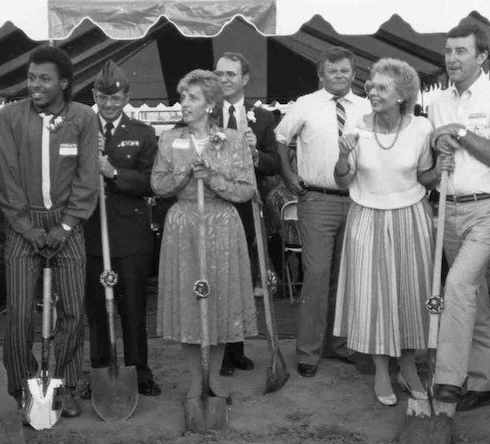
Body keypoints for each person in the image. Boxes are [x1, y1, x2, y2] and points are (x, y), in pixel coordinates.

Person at [0, 46, 99, 418]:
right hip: (24, 225)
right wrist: (27, 228)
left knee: (72, 310)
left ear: (64, 83)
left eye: (44, 78)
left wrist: (67, 225)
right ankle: (25, 386)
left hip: (68, 224)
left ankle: (64, 385)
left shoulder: (83, 117)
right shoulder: (9, 117)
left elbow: (87, 177)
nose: (35, 84)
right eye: (31, 77)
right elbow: (5, 178)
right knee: (19, 313)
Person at [333, 59, 447, 405]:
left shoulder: (421, 128)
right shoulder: (356, 127)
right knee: (374, 296)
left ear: (403, 95)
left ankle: (409, 367)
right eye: (370, 86)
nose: (372, 92)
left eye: (382, 87)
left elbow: (423, 178)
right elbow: (343, 178)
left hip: (411, 217)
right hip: (366, 217)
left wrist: (440, 169)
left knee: (410, 294)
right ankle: (382, 372)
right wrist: (342, 156)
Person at [427, 22, 490, 414]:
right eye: (448, 51)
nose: (452, 58)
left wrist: (461, 132)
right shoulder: (437, 103)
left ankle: (448, 379)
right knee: (474, 297)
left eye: (461, 51)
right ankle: (488, 384)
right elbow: (437, 154)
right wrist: (439, 141)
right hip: (449, 206)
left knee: (458, 285)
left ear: (482, 56)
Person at [152, 69, 257, 398]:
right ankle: (195, 381)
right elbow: (157, 185)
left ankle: (212, 377)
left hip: (222, 227)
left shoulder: (233, 139)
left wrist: (212, 177)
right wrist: (184, 173)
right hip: (184, 225)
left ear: (210, 105)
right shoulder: (170, 139)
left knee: (219, 302)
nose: (184, 103)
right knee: (189, 303)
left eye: (192, 97)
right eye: (183, 96)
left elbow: (246, 190)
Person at [274, 46, 372, 378]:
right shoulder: (306, 104)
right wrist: (289, 176)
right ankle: (308, 352)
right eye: (333, 71)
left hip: (357, 199)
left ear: (354, 72)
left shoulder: (365, 106)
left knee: (344, 276)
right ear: (322, 74)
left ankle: (336, 344)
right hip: (316, 200)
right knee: (316, 275)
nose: (340, 76)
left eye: (345, 70)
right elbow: (281, 138)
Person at [80, 60, 161, 397]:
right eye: (103, 97)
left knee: (132, 309)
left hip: (130, 236)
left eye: (116, 98)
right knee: (97, 310)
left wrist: (111, 172)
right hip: (90, 233)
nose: (109, 104)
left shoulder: (143, 133)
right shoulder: (80, 129)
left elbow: (151, 183)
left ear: (127, 96)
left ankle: (139, 371)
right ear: (94, 94)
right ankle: (100, 371)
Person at [214, 51, 281, 375]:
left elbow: (274, 164)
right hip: (214, 205)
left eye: (230, 74)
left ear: (244, 79)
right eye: (220, 74)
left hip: (247, 206)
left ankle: (237, 348)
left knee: (241, 276)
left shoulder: (263, 118)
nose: (224, 79)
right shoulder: (206, 113)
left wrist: (255, 153)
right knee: (219, 277)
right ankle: (220, 353)